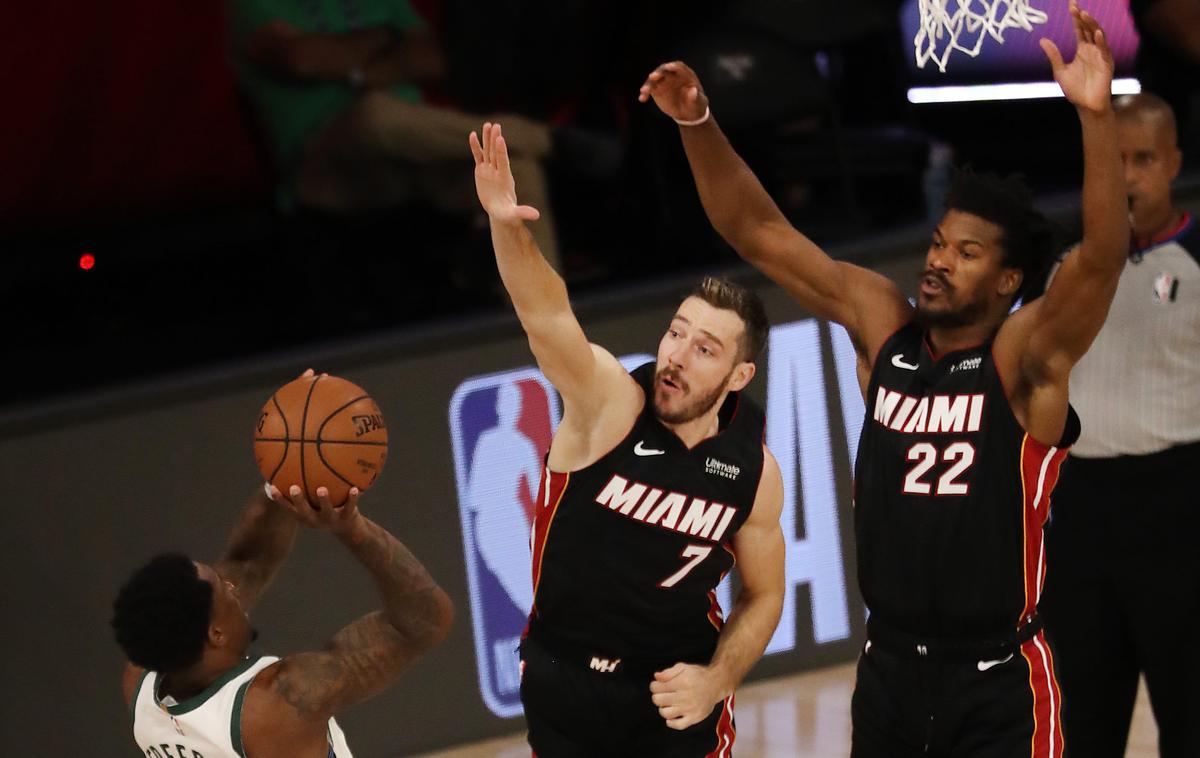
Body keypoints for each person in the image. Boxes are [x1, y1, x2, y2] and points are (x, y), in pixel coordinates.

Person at [640, 2, 1127, 755]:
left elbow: (1098, 260)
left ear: (1007, 282)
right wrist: (699, 123)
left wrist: (1095, 117)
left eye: (965, 254)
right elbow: (759, 232)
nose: (937, 261)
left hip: (997, 679)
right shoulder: (883, 325)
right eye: (938, 243)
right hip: (891, 671)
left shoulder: (1025, 358)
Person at [469, 122, 785, 756]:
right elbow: (547, 315)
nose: (676, 356)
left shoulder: (754, 470)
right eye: (676, 333)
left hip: (676, 690)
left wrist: (717, 679)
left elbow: (766, 593)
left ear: (739, 375)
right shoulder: (609, 401)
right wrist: (507, 226)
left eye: (705, 349)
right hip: (565, 679)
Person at [112, 425, 454, 757]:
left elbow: (248, 562)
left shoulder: (141, 682)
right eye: (223, 588)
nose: (232, 584)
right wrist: (352, 529)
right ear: (215, 633)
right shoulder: (274, 706)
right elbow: (422, 622)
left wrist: (285, 476)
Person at [1040, 92, 1200, 758]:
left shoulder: (1197, 259)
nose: (1127, 176)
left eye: (1142, 159)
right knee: (1083, 721)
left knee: (1189, 716)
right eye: (1113, 160)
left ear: (1173, 163)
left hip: (1179, 507)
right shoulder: (1059, 267)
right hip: (1077, 514)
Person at [227, 0, 560, 266]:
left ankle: (549, 331)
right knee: (375, 115)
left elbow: (431, 60)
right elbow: (302, 59)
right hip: (323, 166)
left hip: (410, 156)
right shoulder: (256, 4)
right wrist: (383, 38)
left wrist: (353, 70)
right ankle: (552, 139)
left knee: (517, 172)